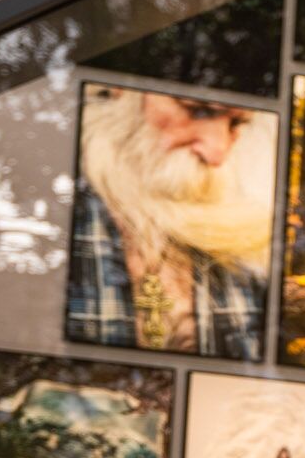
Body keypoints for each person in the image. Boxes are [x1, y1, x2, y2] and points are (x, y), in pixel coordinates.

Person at [65, 87, 270, 358]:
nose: (218, 153)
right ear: (120, 90)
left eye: (235, 124)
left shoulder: (240, 249)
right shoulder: (53, 211)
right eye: (198, 110)